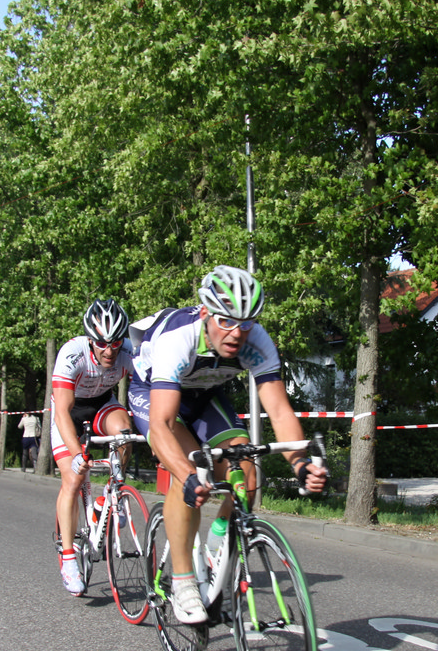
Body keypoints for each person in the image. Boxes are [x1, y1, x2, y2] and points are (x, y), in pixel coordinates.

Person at [127, 265, 327, 623]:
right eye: (226, 321)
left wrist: (299, 463)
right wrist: (188, 475)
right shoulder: (179, 338)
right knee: (189, 471)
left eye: (246, 324)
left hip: (205, 395)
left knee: (246, 476)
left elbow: (279, 411)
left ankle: (218, 541)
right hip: (154, 395)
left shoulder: (257, 341)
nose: (237, 333)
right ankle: (183, 581)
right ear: (206, 313)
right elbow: (162, 424)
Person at [51, 299, 136, 595]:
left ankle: (110, 496)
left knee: (124, 432)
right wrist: (77, 454)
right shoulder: (72, 354)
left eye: (115, 343)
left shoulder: (129, 352)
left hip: (101, 404)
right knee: (73, 478)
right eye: (101, 343)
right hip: (69, 411)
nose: (109, 351)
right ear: (90, 339)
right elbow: (62, 412)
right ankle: (68, 558)